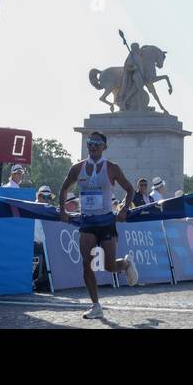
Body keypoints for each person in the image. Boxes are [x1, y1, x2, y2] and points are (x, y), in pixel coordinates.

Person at [58, 131, 139, 320]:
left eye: (97, 143)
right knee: (87, 265)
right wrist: (62, 210)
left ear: (104, 146)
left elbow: (130, 189)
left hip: (106, 221)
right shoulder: (77, 168)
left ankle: (126, 263)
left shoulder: (112, 168)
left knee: (109, 266)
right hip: (87, 222)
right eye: (90, 142)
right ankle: (95, 305)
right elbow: (63, 189)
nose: (93, 145)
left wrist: (124, 209)